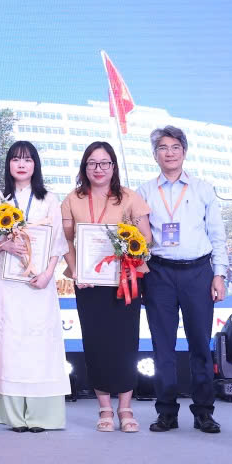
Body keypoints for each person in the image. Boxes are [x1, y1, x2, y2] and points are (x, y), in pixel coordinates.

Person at [136, 125, 228, 434]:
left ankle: (204, 412)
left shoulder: (203, 189)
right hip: (159, 273)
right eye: (163, 148)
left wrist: (219, 274)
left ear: (184, 152)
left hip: (198, 273)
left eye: (175, 147)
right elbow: (137, 237)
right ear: (155, 155)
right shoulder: (144, 191)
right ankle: (166, 412)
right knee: (162, 347)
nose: (170, 153)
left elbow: (217, 234)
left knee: (200, 345)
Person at [63, 141, 153, 433]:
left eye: (104, 163)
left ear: (113, 166)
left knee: (126, 343)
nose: (98, 169)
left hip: (124, 280)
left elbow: (146, 238)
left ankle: (125, 408)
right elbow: (65, 240)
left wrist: (130, 249)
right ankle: (103, 407)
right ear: (84, 167)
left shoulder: (130, 197)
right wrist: (76, 269)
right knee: (95, 343)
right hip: (88, 282)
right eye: (92, 163)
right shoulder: (73, 199)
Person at [0, 141, 70, 432]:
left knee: (39, 345)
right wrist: (5, 245)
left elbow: (58, 242)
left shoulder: (49, 200)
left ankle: (42, 415)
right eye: (16, 159)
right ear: (8, 164)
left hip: (38, 284)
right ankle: (13, 416)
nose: (21, 165)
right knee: (8, 344)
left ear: (35, 165)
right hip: (8, 284)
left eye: (28, 159)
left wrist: (48, 274)